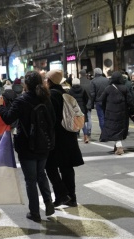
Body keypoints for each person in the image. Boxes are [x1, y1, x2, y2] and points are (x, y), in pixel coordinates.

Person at [0, 70, 55, 222]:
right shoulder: (46, 98)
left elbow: (8, 118)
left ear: (26, 84)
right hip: (44, 144)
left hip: (27, 145)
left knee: (30, 179)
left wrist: (0, 106)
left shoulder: (22, 100)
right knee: (41, 173)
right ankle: (48, 202)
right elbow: (53, 120)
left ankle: (34, 212)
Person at [45, 69, 84, 207]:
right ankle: (71, 198)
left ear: (49, 81)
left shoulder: (51, 96)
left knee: (50, 166)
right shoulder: (65, 94)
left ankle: (62, 194)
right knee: (67, 168)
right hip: (69, 135)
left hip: (57, 137)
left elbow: (50, 118)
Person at [99, 71, 134, 155]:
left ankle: (119, 147)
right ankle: (116, 146)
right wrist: (132, 111)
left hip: (110, 113)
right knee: (119, 129)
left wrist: (105, 108)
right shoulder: (125, 88)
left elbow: (101, 100)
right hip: (123, 112)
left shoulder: (108, 88)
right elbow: (130, 101)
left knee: (114, 129)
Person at [68, 78, 90, 143]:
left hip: (74, 108)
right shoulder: (83, 90)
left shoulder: (70, 91)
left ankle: (75, 137)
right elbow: (86, 98)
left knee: (75, 122)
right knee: (82, 123)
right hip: (82, 107)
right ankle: (86, 136)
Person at [90, 67, 109, 132]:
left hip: (98, 101)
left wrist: (92, 103)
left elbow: (92, 94)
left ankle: (103, 132)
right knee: (107, 117)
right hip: (107, 101)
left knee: (101, 117)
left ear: (95, 73)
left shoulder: (93, 81)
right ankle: (108, 131)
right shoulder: (107, 80)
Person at [79, 69, 93, 142]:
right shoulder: (90, 82)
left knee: (82, 118)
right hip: (89, 102)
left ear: (80, 74)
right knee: (89, 117)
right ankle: (89, 131)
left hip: (81, 103)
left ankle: (84, 132)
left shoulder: (79, 82)